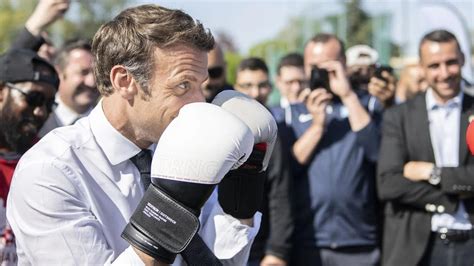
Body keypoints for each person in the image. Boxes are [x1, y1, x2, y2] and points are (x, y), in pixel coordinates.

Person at [7, 4, 262, 265]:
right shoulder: (50, 170)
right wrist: (166, 213)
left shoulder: (182, 150)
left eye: (201, 86)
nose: (198, 102)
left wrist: (241, 196)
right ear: (125, 81)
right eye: (183, 85)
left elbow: (217, 261)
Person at [377, 29, 474, 266]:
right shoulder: (398, 117)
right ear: (422, 67)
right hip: (418, 249)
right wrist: (450, 199)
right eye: (434, 65)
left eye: (451, 62)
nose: (444, 73)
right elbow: (389, 184)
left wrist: (433, 173)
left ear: (462, 59)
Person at [289, 33, 382, 266]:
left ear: (344, 66)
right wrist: (317, 125)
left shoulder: (367, 105)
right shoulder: (291, 113)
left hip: (359, 241)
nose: (320, 74)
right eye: (314, 67)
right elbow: (289, 167)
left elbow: (377, 152)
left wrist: (348, 96)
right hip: (308, 241)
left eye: (328, 67)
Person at [0, 49, 59, 265]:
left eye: (49, 104)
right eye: (33, 98)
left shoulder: (51, 162)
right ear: (1, 93)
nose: (40, 112)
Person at [234, 57, 294, 266]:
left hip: (259, 251)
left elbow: (280, 195)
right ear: (236, 87)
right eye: (247, 85)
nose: (255, 93)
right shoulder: (220, 130)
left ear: (270, 88)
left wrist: (277, 251)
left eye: (261, 85)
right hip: (217, 245)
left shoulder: (275, 136)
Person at [38, 39, 100, 136]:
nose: (92, 82)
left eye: (97, 73)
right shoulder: (38, 119)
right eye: (83, 72)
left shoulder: (108, 125)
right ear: (59, 72)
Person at [272, 53, 307, 126]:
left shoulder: (319, 111)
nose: (296, 88)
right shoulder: (271, 116)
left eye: (301, 82)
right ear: (278, 82)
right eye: (290, 82)